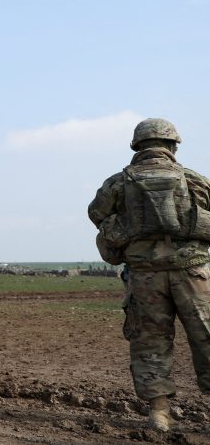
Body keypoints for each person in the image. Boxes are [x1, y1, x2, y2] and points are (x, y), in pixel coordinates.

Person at [88, 118, 210, 432]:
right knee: (207, 339)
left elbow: (96, 214)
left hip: (144, 277)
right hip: (193, 274)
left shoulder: (118, 183)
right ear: (173, 146)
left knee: (150, 343)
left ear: (137, 146)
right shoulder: (193, 179)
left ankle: (159, 413)